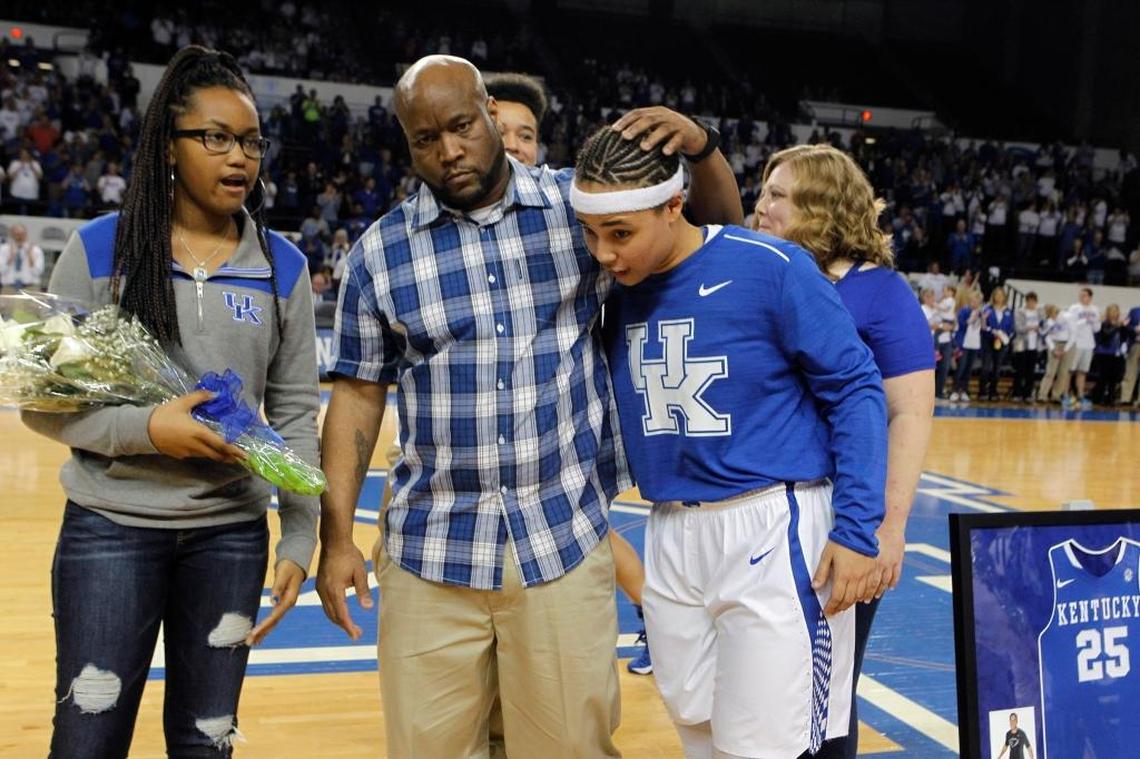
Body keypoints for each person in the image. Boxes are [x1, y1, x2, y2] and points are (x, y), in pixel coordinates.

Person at [317, 54, 741, 758]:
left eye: (460, 125)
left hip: (562, 542)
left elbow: (715, 237)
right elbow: (357, 398)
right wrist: (335, 537)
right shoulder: (378, 255)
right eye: (426, 139)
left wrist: (702, 146)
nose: (449, 150)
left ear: (490, 111)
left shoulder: (579, 211)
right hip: (431, 551)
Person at [20, 46, 320, 757]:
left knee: (205, 739)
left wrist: (301, 537)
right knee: (89, 735)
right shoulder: (98, 251)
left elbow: (298, 413)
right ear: (169, 148)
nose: (238, 157)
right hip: (110, 532)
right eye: (215, 137)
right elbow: (42, 402)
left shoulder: (284, 267)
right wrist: (151, 428)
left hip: (231, 538)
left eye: (249, 140)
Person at [572, 127, 886, 758]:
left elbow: (856, 390)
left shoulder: (769, 266)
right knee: (697, 725)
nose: (603, 253)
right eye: (591, 234)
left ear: (672, 206)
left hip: (773, 524)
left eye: (620, 234)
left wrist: (857, 529)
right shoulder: (615, 291)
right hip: (669, 528)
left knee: (765, 744)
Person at [751, 144, 934, 759]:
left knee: (823, 702)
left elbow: (908, 411)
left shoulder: (879, 292)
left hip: (838, 517)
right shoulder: (759, 269)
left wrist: (891, 525)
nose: (762, 204)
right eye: (764, 190)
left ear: (823, 207)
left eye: (779, 194)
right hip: (755, 518)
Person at [484, 69, 655, 675]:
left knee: (596, 536)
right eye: (498, 129)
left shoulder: (572, 215)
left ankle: (657, 618)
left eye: (525, 134)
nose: (512, 144)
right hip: (489, 483)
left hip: (567, 442)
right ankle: (657, 615)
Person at [1065, 287, 1101, 408]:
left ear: (1090, 297)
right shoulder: (1074, 308)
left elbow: (1097, 328)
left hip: (1088, 344)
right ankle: (1065, 394)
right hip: (1076, 342)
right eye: (1081, 295)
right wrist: (1083, 321)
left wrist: (1094, 321)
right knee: (1070, 370)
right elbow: (1070, 325)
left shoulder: (1095, 309)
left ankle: (1080, 395)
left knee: (1083, 371)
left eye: (1085, 295)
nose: (1082, 297)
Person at [979, 286, 1014, 402]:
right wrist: (993, 332)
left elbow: (1011, 329)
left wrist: (1005, 336)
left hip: (1002, 343)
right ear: (993, 296)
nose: (999, 297)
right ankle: (982, 391)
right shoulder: (987, 309)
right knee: (986, 367)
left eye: (1001, 295)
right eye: (996, 294)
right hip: (988, 341)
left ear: (1004, 297)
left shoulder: (1008, 311)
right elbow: (983, 327)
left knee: (997, 368)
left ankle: (993, 391)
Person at [1036, 304, 1075, 404]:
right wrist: (1053, 349)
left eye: (1052, 314)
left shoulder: (1067, 317)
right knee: (1050, 371)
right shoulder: (1048, 321)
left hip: (1068, 344)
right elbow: (1046, 335)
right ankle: (1042, 395)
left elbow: (1073, 334)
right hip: (1054, 343)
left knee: (1063, 372)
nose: (1051, 316)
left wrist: (1065, 350)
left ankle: (1056, 395)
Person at [952, 292, 985, 402]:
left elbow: (982, 328)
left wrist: (983, 318)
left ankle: (964, 390)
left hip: (974, 344)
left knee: (969, 369)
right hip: (964, 344)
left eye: (977, 301)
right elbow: (961, 325)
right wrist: (972, 317)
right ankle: (955, 390)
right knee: (961, 367)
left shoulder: (981, 312)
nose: (975, 303)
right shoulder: (964, 310)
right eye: (973, 300)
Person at [1010, 292, 1042, 402]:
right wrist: (1031, 327)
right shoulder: (1020, 312)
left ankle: (1027, 394)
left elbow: (1043, 326)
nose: (1032, 303)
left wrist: (1039, 329)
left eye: (1034, 301)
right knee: (1020, 369)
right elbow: (1018, 328)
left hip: (1034, 344)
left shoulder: (1039, 312)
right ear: (1026, 301)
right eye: (1030, 301)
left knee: (1031, 370)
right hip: (1021, 343)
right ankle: (1016, 393)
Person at [0, 223, 45, 292]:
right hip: (9, 287)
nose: (20, 237)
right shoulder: (3, 249)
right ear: (11, 235)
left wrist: (30, 255)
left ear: (26, 234)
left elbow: (38, 272)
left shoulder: (36, 250)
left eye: (22, 234)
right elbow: (2, 270)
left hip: (31, 287)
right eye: (17, 234)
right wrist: (11, 257)